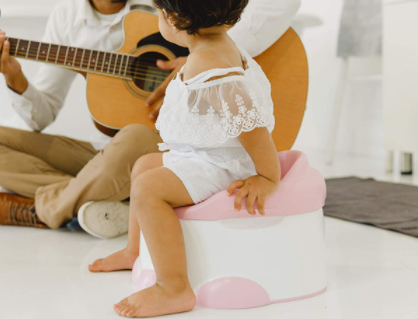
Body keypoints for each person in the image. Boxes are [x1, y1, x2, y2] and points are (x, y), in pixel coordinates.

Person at [0, 0, 300, 238]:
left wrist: (205, 50)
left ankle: (48, 209)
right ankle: (96, 200)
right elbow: (41, 117)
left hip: (174, 149)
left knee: (134, 138)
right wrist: (14, 77)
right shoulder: (67, 16)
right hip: (104, 154)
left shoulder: (188, 19)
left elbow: (278, 4)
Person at [90, 0, 281, 317]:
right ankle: (134, 251)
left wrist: (266, 176)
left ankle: (173, 287)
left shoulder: (211, 65)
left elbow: (252, 125)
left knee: (149, 187)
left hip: (221, 165)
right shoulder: (212, 47)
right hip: (205, 154)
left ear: (174, 18)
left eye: (156, 11)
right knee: (144, 166)